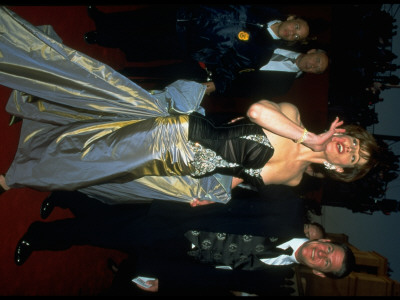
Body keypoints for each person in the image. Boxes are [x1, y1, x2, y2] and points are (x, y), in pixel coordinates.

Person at [0, 6, 379, 207]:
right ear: (343, 133)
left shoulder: (294, 180)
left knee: (104, 126)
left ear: (340, 169)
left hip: (187, 171)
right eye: (355, 143)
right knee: (100, 156)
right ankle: (15, 175)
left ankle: (39, 105)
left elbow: (238, 175)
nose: (350, 151)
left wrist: (206, 196)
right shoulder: (295, 119)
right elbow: (257, 113)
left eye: (353, 159)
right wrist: (309, 137)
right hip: (181, 134)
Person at [14, 186, 355, 295]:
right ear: (327, 241)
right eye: (330, 249)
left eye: (326, 262)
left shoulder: (274, 280)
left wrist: (162, 280)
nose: (322, 253)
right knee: (103, 231)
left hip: (175, 257)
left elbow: (213, 280)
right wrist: (206, 193)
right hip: (181, 220)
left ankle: (67, 197)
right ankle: (38, 235)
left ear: (320, 273)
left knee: (107, 226)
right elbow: (246, 193)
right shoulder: (291, 212)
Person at [84, 5, 314, 95]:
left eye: (296, 36)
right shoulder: (264, 8)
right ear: (292, 17)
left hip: (188, 43)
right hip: (186, 13)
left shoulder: (261, 52)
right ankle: (104, 20)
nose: (291, 33)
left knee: (143, 41)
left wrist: (217, 85)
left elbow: (232, 67)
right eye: (296, 27)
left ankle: (102, 38)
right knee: (141, 18)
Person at [120, 48, 330, 99]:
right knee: (163, 62)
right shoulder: (282, 40)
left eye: (317, 70)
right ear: (312, 51)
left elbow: (245, 90)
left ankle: (123, 85)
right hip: (213, 55)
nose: (313, 66)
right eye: (317, 61)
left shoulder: (283, 86)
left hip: (214, 79)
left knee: (165, 83)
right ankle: (126, 68)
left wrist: (218, 86)